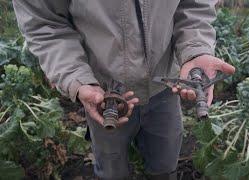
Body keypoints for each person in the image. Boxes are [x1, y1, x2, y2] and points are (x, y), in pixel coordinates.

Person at [13, 0, 235, 179]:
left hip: (164, 88)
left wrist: (195, 50)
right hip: (102, 93)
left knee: (165, 162)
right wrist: (78, 79)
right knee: (111, 167)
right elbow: (44, 22)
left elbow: (195, 5)